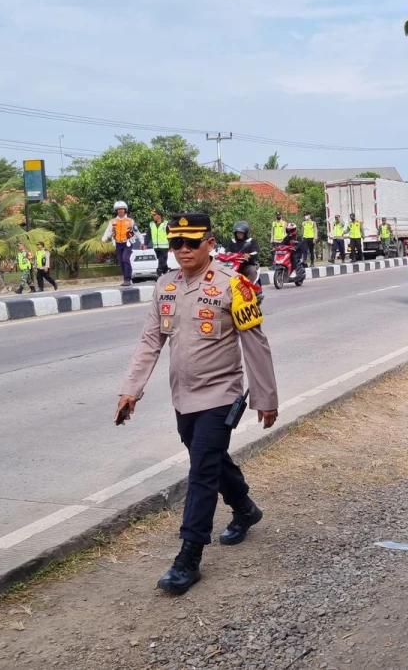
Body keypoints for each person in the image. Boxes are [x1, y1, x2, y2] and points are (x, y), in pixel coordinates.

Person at [117, 212, 278, 596]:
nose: (184, 250)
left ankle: (188, 556)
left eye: (192, 242)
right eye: (177, 244)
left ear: (210, 243)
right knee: (209, 458)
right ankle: (244, 508)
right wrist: (131, 389)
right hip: (183, 395)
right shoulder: (164, 286)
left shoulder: (234, 286)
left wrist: (265, 397)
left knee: (201, 470)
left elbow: (255, 343)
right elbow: (150, 341)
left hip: (221, 394)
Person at [102, 201, 136, 286]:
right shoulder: (113, 221)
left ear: (125, 210)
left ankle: (128, 279)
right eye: (118, 210)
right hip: (118, 243)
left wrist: (142, 242)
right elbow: (109, 230)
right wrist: (104, 239)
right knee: (121, 261)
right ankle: (125, 279)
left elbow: (136, 231)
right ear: (116, 211)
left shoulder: (130, 220)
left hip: (127, 242)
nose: (120, 211)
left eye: (122, 209)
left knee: (125, 259)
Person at [148, 210, 169, 277]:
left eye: (154, 215)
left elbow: (170, 234)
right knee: (162, 261)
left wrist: (171, 245)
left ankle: (158, 272)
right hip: (156, 247)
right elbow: (148, 234)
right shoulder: (151, 224)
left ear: (159, 216)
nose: (153, 216)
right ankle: (166, 272)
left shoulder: (166, 224)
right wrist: (145, 243)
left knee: (162, 260)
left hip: (164, 247)